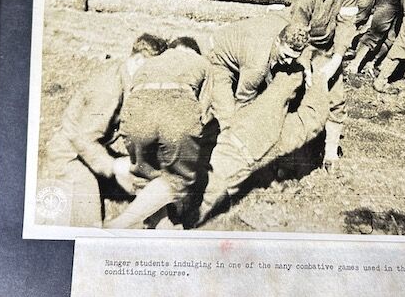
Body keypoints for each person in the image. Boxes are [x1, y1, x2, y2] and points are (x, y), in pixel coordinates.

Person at [44, 33, 168, 227]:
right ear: (138, 61)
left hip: (94, 152)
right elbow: (82, 138)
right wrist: (114, 166)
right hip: (69, 155)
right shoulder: (109, 88)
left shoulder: (128, 77)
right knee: (90, 221)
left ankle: (164, 230)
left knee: (148, 183)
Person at [197, 64, 331, 225]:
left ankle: (314, 71)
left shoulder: (192, 199)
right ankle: (318, 73)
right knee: (299, 111)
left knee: (286, 93)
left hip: (245, 141)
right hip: (243, 141)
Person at [103, 36, 209, 229]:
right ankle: (120, 224)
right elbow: (205, 112)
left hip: (137, 116)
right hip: (175, 118)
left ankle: (162, 225)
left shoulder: (150, 65)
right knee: (178, 180)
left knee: (146, 174)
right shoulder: (201, 64)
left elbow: (130, 104)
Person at [289, 0, 361, 169]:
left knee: (336, 97)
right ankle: (293, 149)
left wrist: (337, 59)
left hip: (329, 47)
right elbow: (297, 33)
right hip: (304, 46)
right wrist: (305, 66)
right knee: (298, 96)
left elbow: (346, 23)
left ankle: (330, 154)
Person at [201, 13, 311, 132]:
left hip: (245, 50)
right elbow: (243, 102)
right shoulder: (257, 67)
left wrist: (307, 71)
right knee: (226, 114)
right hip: (219, 56)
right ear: (277, 41)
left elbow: (304, 53)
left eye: (293, 57)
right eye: (286, 55)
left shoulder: (289, 29)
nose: (289, 62)